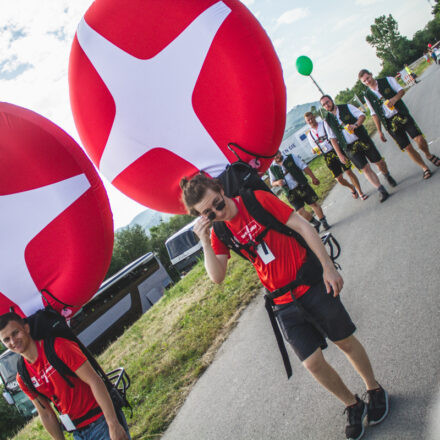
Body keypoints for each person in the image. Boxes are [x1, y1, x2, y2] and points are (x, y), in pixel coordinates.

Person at [180, 173, 389, 440]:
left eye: (218, 204)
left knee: (344, 341)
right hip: (281, 301)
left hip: (311, 283)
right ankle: (353, 404)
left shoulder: (256, 200)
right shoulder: (219, 232)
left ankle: (374, 388)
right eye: (208, 214)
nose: (217, 213)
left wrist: (328, 268)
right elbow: (217, 277)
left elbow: (304, 227)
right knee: (312, 363)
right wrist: (204, 241)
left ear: (221, 190)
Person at [0, 312, 130, 440]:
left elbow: (94, 380)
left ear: (26, 328)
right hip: (77, 433)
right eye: (6, 340)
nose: (12, 341)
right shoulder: (23, 376)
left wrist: (113, 424)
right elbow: (46, 414)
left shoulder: (58, 347)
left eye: (15, 333)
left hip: (101, 421)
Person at [359, 69, 440, 180]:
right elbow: (374, 114)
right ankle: (424, 167)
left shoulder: (387, 80)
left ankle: (428, 154)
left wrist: (394, 99)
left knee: (419, 139)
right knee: (408, 147)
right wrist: (379, 131)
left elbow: (401, 91)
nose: (367, 81)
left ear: (371, 75)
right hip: (389, 123)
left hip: (401, 114)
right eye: (364, 81)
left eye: (368, 78)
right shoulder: (367, 95)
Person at [320, 95, 396, 203]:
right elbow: (332, 138)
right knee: (365, 168)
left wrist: (355, 125)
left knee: (379, 162)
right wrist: (340, 155)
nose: (327, 105)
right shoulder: (327, 120)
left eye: (327, 102)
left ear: (332, 101)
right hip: (349, 147)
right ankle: (381, 189)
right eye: (324, 104)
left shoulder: (346, 107)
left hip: (362, 139)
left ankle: (386, 175)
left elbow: (362, 116)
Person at [304, 112, 367, 200]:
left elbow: (333, 135)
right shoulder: (310, 135)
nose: (311, 121)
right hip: (327, 156)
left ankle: (360, 192)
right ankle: (352, 188)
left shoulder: (324, 124)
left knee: (349, 172)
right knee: (339, 179)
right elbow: (315, 147)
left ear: (314, 117)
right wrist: (314, 150)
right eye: (308, 120)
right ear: (306, 122)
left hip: (336, 150)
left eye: (311, 118)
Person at [268, 150, 330, 231]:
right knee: (300, 212)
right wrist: (277, 182)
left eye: (276, 154)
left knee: (313, 204)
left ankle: (323, 221)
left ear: (279, 152)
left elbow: (304, 166)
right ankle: (315, 222)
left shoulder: (291, 157)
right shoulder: (272, 168)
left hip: (301, 185)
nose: (276, 157)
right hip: (290, 192)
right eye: (273, 156)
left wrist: (313, 178)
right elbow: (272, 182)